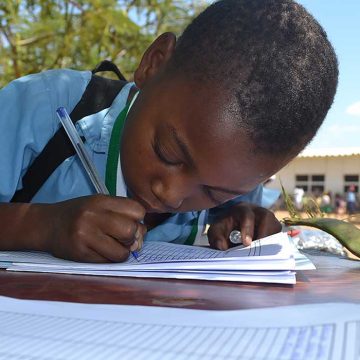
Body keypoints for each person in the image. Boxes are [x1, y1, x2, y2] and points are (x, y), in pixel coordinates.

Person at [0, 0, 338, 263]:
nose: (171, 194)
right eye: (168, 152)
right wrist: (42, 226)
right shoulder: (42, 107)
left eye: (213, 193)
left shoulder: (235, 179)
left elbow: (243, 217)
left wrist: (243, 222)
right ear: (154, 64)